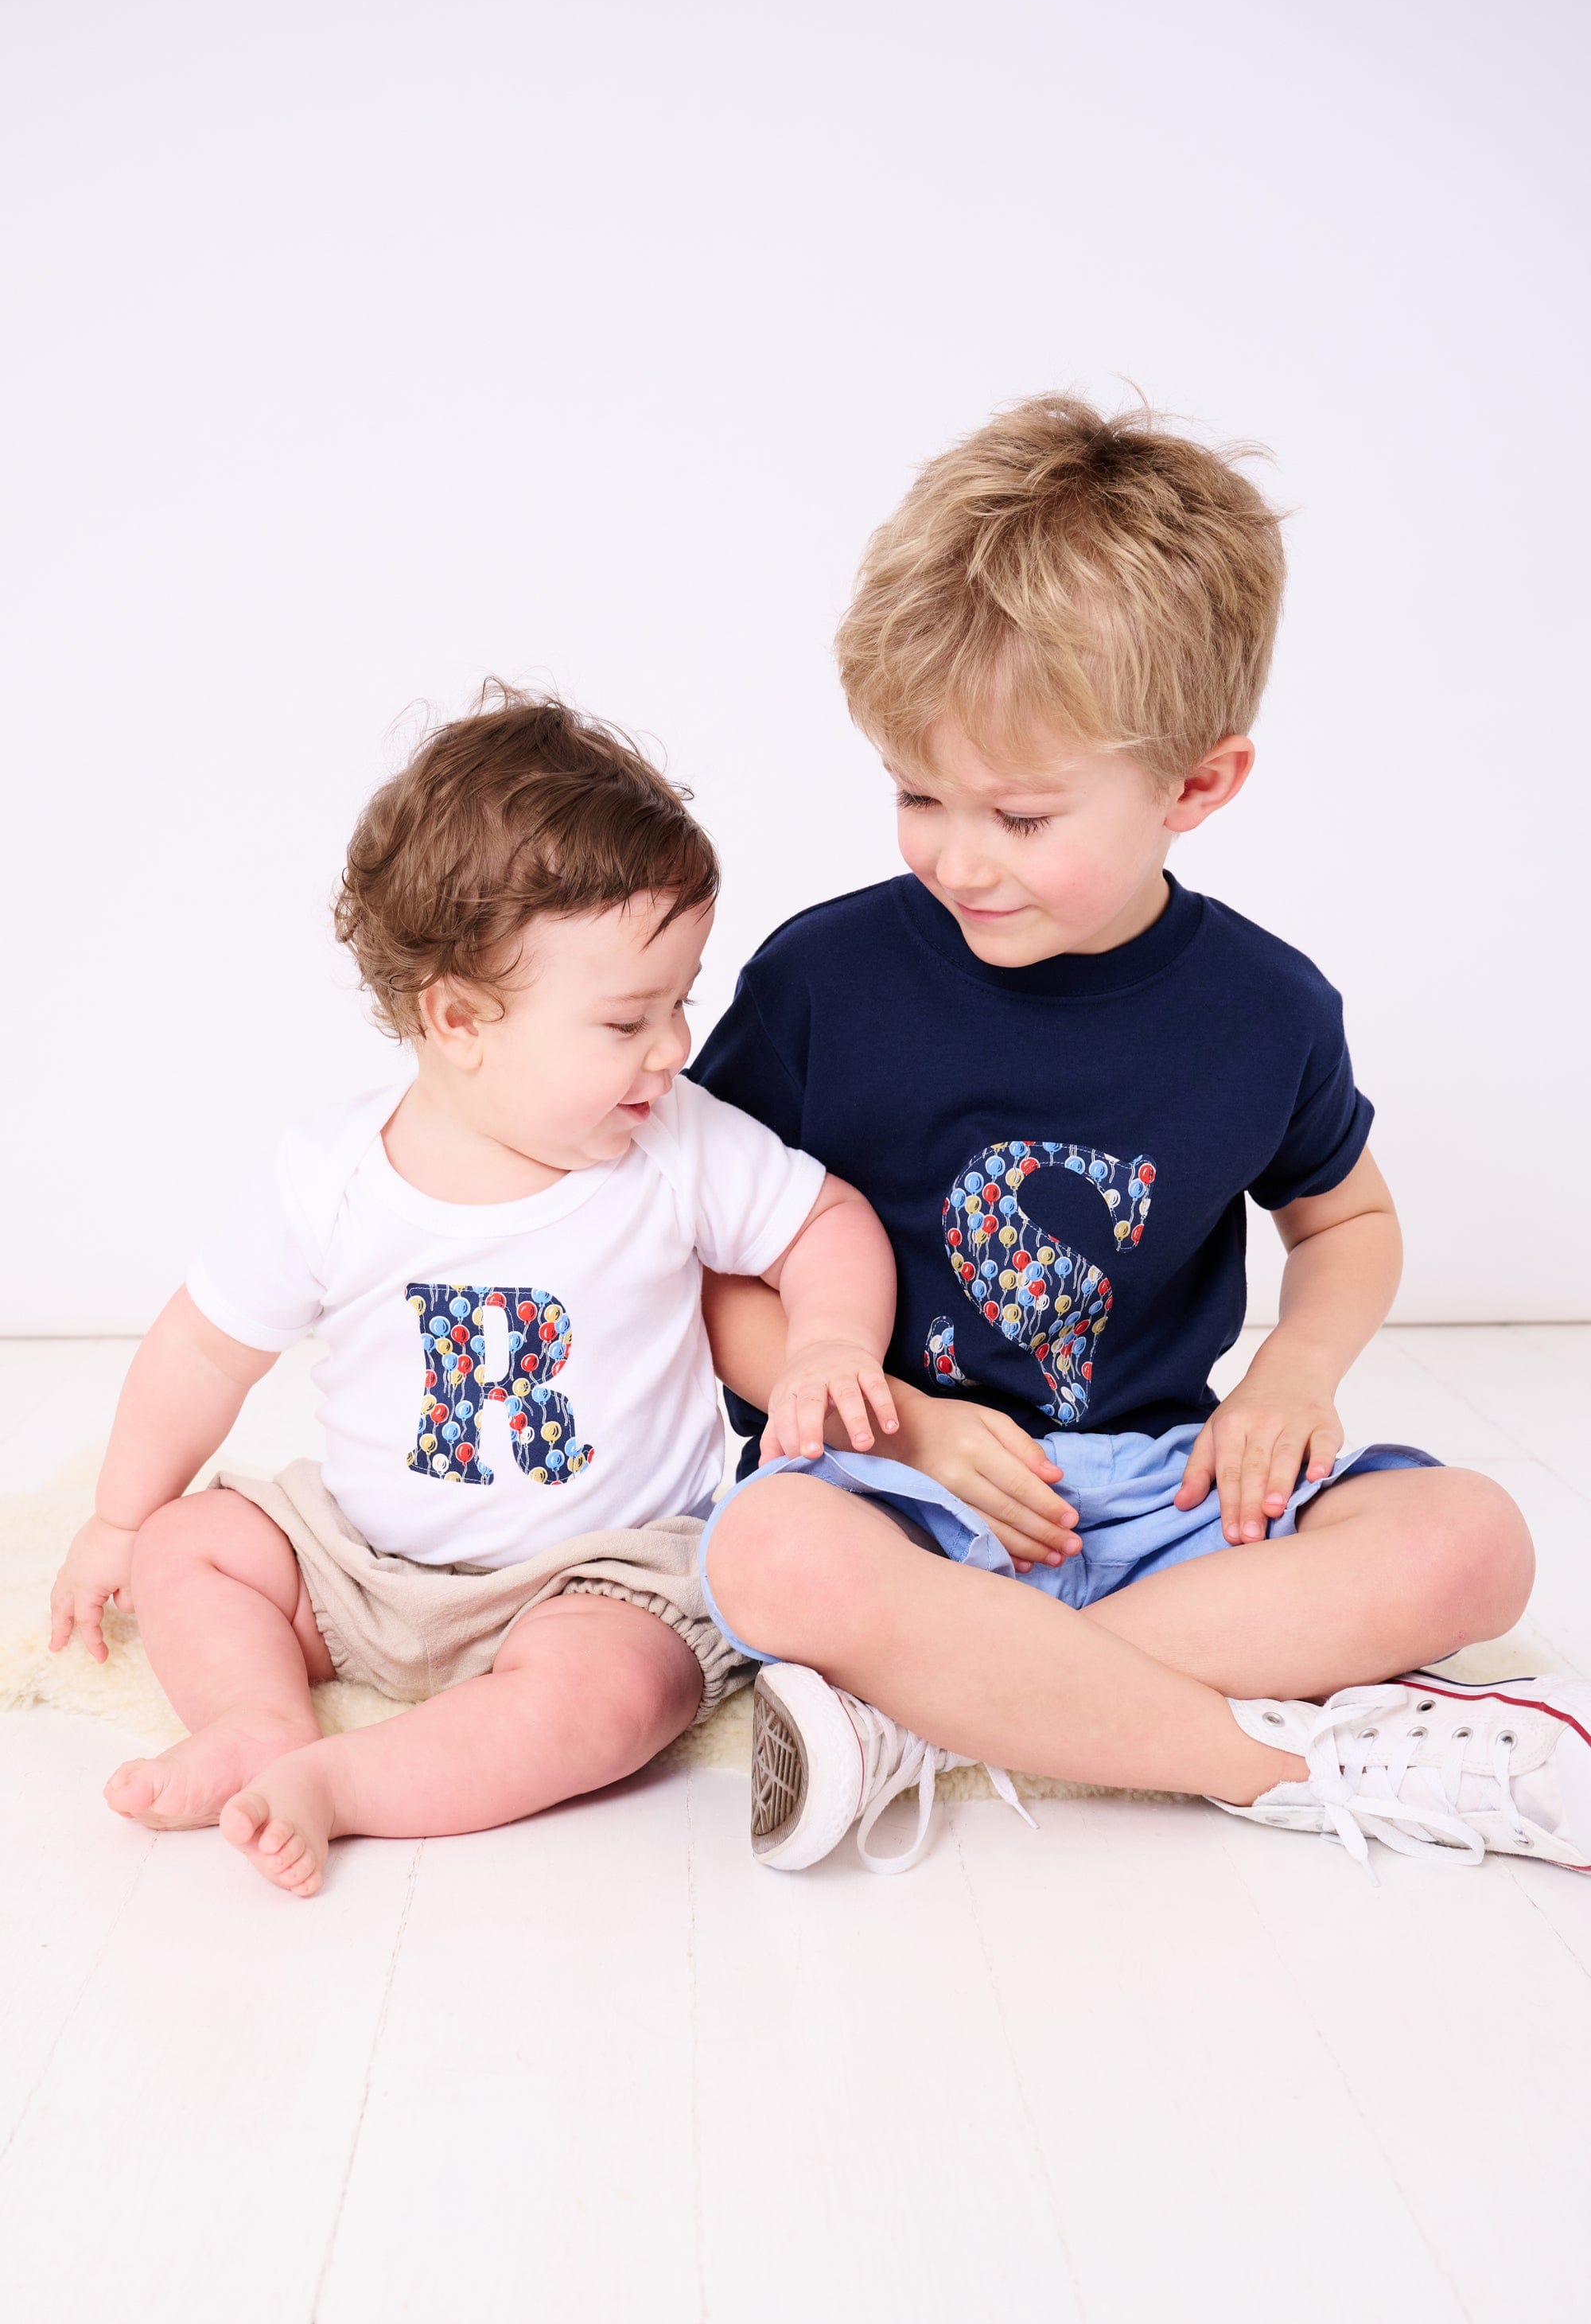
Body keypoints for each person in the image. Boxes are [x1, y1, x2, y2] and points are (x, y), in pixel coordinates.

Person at [692, 395, 1591, 1878]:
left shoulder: (1265, 1009)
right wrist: (898, 1420)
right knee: (771, 1553)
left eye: (1021, 817)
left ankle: (937, 1709)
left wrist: (1291, 1380)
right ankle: (1270, 1760)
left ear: (1197, 784)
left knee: (1476, 1540)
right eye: (917, 793)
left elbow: (1348, 1221)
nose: (956, 856)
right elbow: (712, 1266)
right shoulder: (819, 981)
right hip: (898, 1488)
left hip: (1159, 1494)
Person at [47, 689, 897, 1897]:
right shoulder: (332, 1179)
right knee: (196, 1547)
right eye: (627, 1020)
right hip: (362, 1562)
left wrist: (829, 1340)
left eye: (681, 1001)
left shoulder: (678, 1144)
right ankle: (253, 1722)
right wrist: (122, 1518)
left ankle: (350, 1784)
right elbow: (200, 1350)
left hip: (599, 1576)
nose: (674, 1047)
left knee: (620, 1696)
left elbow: (825, 1221)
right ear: (459, 1019)